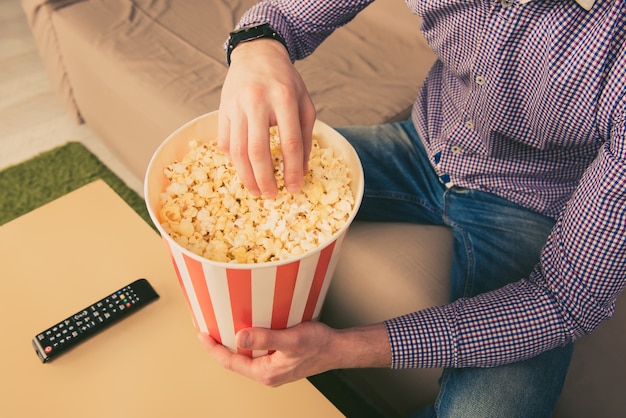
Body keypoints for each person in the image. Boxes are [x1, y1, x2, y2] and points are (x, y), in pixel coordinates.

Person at [198, 0, 626, 416]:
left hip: (531, 201)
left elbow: (565, 299)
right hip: (423, 140)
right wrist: (258, 45)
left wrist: (341, 349)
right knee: (214, 185)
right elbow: (284, 17)